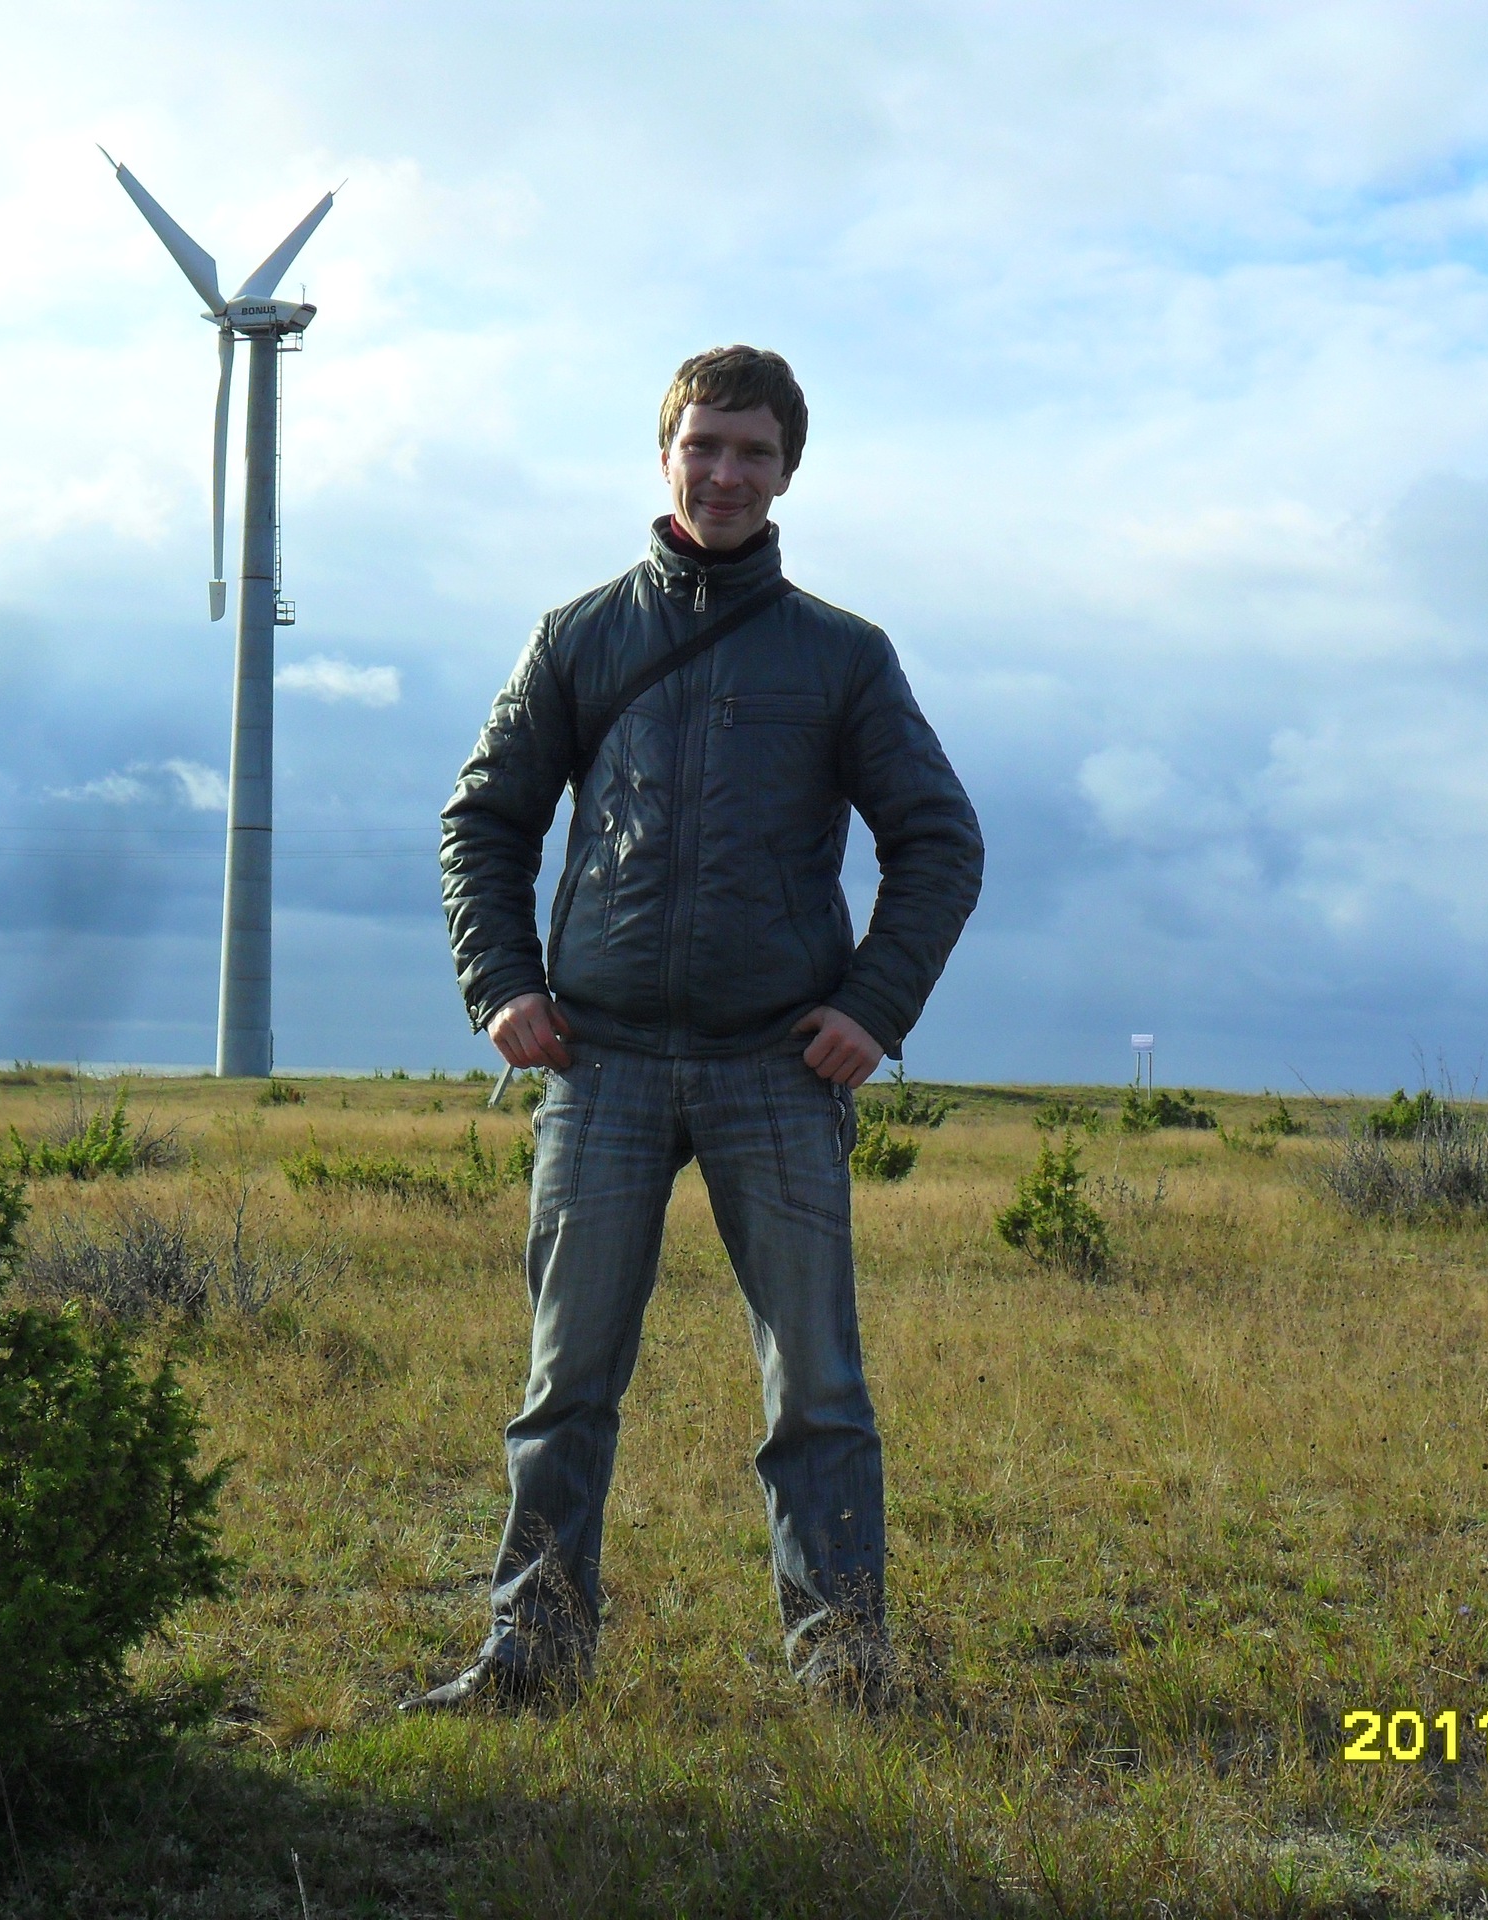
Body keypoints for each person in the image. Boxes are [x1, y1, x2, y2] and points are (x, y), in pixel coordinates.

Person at [415, 345, 983, 1711]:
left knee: (818, 1393)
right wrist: (503, 984)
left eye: (754, 452)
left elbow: (938, 841)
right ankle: (530, 1657)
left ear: (789, 471)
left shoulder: (843, 656)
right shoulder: (577, 637)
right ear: (664, 452)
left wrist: (872, 1008)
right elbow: (484, 820)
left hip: (772, 1066)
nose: (726, 474)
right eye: (705, 446)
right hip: (598, 1064)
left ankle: (844, 1666)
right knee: (564, 1390)